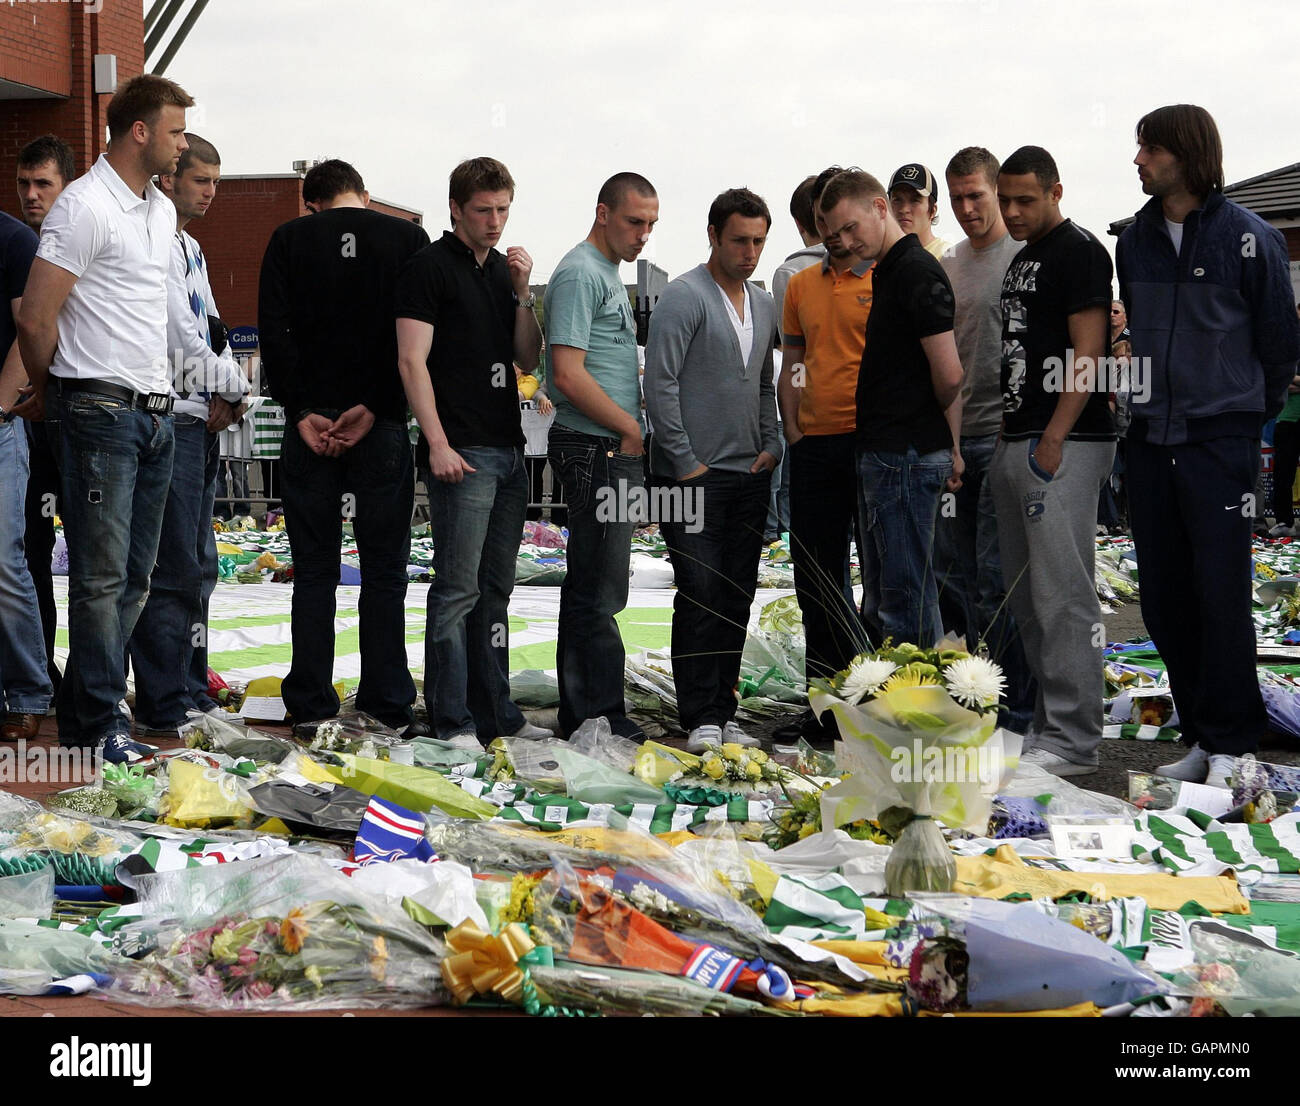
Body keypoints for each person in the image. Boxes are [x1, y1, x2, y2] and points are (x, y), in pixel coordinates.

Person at [1118, 105, 1300, 784]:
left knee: (1220, 596)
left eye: (1149, 148)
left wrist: (1239, 414)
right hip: (1148, 440)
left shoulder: (1251, 239)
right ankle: (1202, 736)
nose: (1138, 160)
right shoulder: (1131, 241)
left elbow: (1280, 347)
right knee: (1165, 599)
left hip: (1218, 444)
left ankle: (1233, 745)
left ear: (1185, 155)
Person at [15, 74, 194, 764]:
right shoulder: (83, 207)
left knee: (136, 578)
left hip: (152, 415)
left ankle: (91, 704)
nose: (182, 145)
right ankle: (96, 720)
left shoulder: (155, 210)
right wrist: (49, 391)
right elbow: (35, 314)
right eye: (175, 131)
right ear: (140, 131)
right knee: (98, 576)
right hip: (97, 408)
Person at [258, 159, 431, 734]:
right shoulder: (407, 239)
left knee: (313, 570)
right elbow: (413, 339)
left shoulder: (288, 240)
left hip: (311, 424)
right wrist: (378, 404)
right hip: (378, 424)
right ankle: (385, 698)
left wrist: (302, 409)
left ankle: (310, 698)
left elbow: (273, 330)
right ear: (363, 193)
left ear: (311, 202)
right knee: (384, 568)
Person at [395, 157, 550, 747]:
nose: (495, 221)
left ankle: (496, 713)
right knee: (457, 589)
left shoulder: (496, 273)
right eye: (484, 209)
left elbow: (529, 359)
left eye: (504, 209)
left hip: (507, 447)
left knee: (496, 590)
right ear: (456, 207)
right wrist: (435, 442)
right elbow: (411, 361)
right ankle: (451, 718)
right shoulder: (428, 269)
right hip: (462, 448)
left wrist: (522, 293)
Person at [989, 145, 1116, 777]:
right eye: (1004, 199)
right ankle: (1049, 725)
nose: (1011, 211)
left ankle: (1075, 738)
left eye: (1025, 200)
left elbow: (1089, 351)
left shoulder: (1081, 250)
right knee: (1028, 596)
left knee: (1063, 593)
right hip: (1020, 436)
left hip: (1065, 441)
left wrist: (1055, 436)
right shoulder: (1024, 257)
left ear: (1056, 191)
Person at [644, 188, 782, 752]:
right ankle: (699, 711)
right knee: (698, 590)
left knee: (736, 593)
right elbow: (660, 382)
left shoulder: (765, 302)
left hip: (748, 472)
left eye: (759, 242)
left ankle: (724, 710)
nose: (750, 252)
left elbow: (765, 380)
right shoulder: (683, 297)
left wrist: (772, 440)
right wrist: (684, 461)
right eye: (739, 240)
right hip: (689, 477)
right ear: (713, 236)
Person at [128, 134, 249, 737]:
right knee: (172, 567)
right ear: (171, 178)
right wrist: (237, 387)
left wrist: (225, 386)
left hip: (198, 415)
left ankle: (189, 685)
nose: (211, 193)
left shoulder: (192, 246)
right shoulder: (154, 241)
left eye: (217, 183)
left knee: (200, 563)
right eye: (202, 181)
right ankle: (162, 697)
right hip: (169, 413)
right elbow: (179, 335)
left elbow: (212, 327)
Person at [821, 169, 963, 649]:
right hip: (893, 449)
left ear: (880, 208)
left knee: (907, 600)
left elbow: (950, 374)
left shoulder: (916, 269)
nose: (844, 241)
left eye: (850, 227)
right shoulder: (893, 268)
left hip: (905, 451)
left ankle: (918, 713)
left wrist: (925, 426)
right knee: (891, 597)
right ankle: (910, 708)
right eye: (834, 234)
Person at [545, 172, 659, 740]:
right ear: (603, 212)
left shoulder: (605, 274)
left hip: (607, 444)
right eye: (635, 222)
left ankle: (589, 711)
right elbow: (565, 373)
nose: (643, 236)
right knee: (598, 584)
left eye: (651, 226)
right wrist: (627, 428)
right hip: (596, 445)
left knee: (602, 581)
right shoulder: (580, 273)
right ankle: (596, 716)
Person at [935, 146, 1035, 733]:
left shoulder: (1023, 259)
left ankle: (1013, 712)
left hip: (1006, 437)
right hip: (956, 437)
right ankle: (969, 700)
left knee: (999, 582)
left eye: (976, 195)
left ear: (997, 191)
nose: (968, 208)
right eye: (957, 198)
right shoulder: (948, 267)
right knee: (954, 579)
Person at [774, 167, 874, 746]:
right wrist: (793, 430)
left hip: (873, 446)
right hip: (814, 447)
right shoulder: (800, 286)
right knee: (817, 578)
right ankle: (825, 708)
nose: (828, 235)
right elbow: (792, 363)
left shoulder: (884, 276)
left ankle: (878, 706)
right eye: (819, 224)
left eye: (836, 224)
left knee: (882, 581)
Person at [16, 135, 75, 703]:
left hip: (82, 420)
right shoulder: (17, 247)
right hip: (31, 425)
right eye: (24, 185)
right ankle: (41, 673)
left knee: (95, 562)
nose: (32, 196)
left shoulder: (86, 242)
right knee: (29, 556)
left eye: (44, 185)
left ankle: (86, 679)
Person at [0, 204, 49, 741]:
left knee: (4, 562)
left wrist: (0, 406)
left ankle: (28, 691)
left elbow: (26, 329)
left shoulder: (13, 240)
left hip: (0, 427)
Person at [765, 176, 825, 542]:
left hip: (812, 415)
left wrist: (794, 420)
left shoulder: (790, 274)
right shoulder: (871, 264)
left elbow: (796, 357)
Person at [1268, 306, 1300, 538]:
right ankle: (1284, 521)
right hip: (1286, 418)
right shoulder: (1288, 346)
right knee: (1283, 474)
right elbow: (1278, 378)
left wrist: (1292, 381)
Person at [889, 164, 951, 260]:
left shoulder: (947, 256)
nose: (904, 209)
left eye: (914, 200)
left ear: (932, 211)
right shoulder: (880, 257)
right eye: (897, 200)